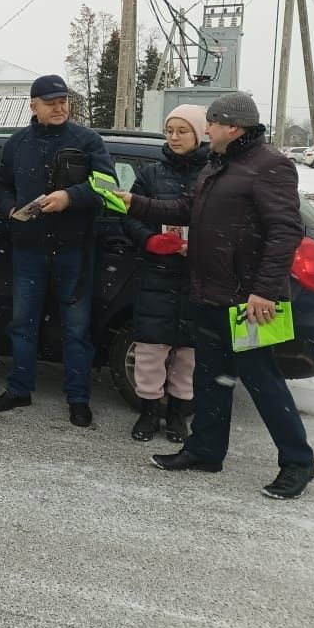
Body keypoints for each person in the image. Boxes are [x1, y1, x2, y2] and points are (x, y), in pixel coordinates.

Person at [112, 92, 314, 500]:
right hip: (210, 294)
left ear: (233, 127)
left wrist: (263, 291)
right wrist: (137, 202)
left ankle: (298, 462)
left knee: (264, 382)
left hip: (252, 304)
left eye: (212, 123)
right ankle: (206, 450)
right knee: (212, 379)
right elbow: (187, 208)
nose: (207, 130)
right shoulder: (219, 164)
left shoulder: (270, 165)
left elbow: (284, 233)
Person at [0, 75, 115, 428]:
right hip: (28, 250)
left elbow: (108, 187)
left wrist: (70, 197)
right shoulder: (17, 143)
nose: (59, 108)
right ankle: (19, 388)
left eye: (63, 101)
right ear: (33, 105)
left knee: (76, 329)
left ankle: (78, 398)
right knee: (22, 324)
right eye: (50, 102)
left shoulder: (87, 140)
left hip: (75, 250)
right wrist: (10, 208)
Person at [118, 105, 209, 443]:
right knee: (151, 350)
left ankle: (177, 415)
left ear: (199, 133)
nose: (173, 137)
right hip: (157, 274)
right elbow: (129, 216)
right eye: (169, 130)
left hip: (197, 276)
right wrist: (149, 240)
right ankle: (149, 410)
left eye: (181, 130)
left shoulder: (214, 173)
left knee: (188, 351)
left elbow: (224, 222)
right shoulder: (152, 174)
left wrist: (198, 245)